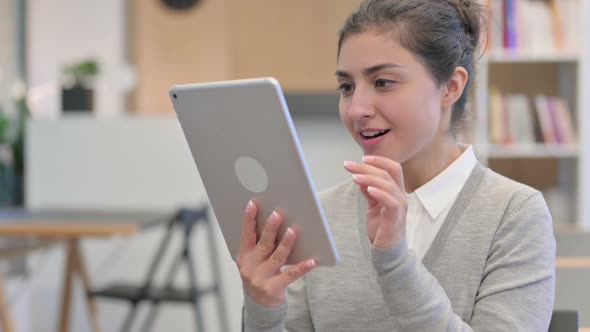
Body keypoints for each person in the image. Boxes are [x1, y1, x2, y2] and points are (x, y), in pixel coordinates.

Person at [238, 0, 556, 330]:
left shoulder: (516, 214)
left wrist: (395, 263)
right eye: (346, 87)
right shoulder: (321, 214)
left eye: (383, 82)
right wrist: (264, 308)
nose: (356, 109)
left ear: (451, 87)